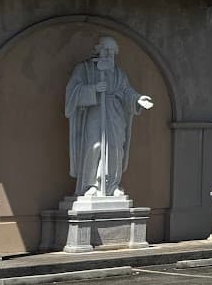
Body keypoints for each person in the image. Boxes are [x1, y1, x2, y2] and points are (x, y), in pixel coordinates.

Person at [65, 36, 153, 197]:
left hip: (115, 114)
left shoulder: (119, 73)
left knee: (115, 148)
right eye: (105, 49)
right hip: (95, 112)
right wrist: (93, 89)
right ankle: (89, 185)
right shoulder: (84, 69)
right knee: (94, 146)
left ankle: (112, 185)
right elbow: (72, 92)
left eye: (112, 50)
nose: (109, 53)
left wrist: (137, 98)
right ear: (98, 50)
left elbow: (126, 91)